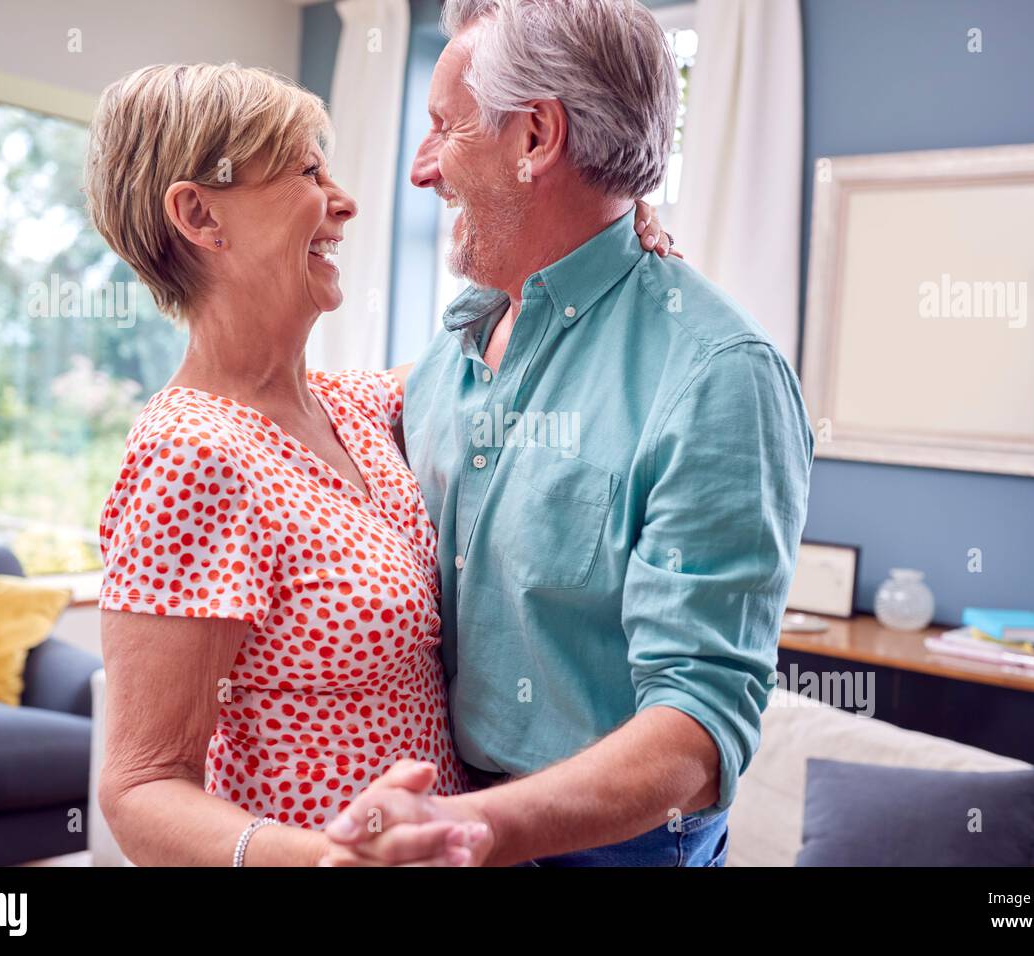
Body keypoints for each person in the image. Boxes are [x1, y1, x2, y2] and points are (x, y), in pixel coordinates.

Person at [86, 61, 673, 865]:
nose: (345, 200)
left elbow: (505, 344)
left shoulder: (353, 406)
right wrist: (327, 861)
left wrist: (610, 227)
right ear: (200, 215)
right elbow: (142, 787)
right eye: (305, 170)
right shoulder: (190, 455)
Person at [320, 0, 814, 867]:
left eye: (444, 128)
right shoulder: (452, 350)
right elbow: (307, 415)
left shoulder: (717, 374)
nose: (421, 171)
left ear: (537, 137)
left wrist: (481, 830)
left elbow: (696, 733)